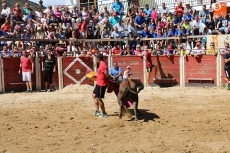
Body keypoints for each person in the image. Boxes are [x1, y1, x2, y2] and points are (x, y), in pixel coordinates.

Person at [92, 54, 109, 118]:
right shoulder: (101, 65)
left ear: (98, 59)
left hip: (102, 84)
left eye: (96, 59)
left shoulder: (103, 65)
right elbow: (100, 74)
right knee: (94, 95)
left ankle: (104, 113)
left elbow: (106, 74)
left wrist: (108, 82)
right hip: (98, 83)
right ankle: (97, 111)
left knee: (99, 98)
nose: (96, 60)